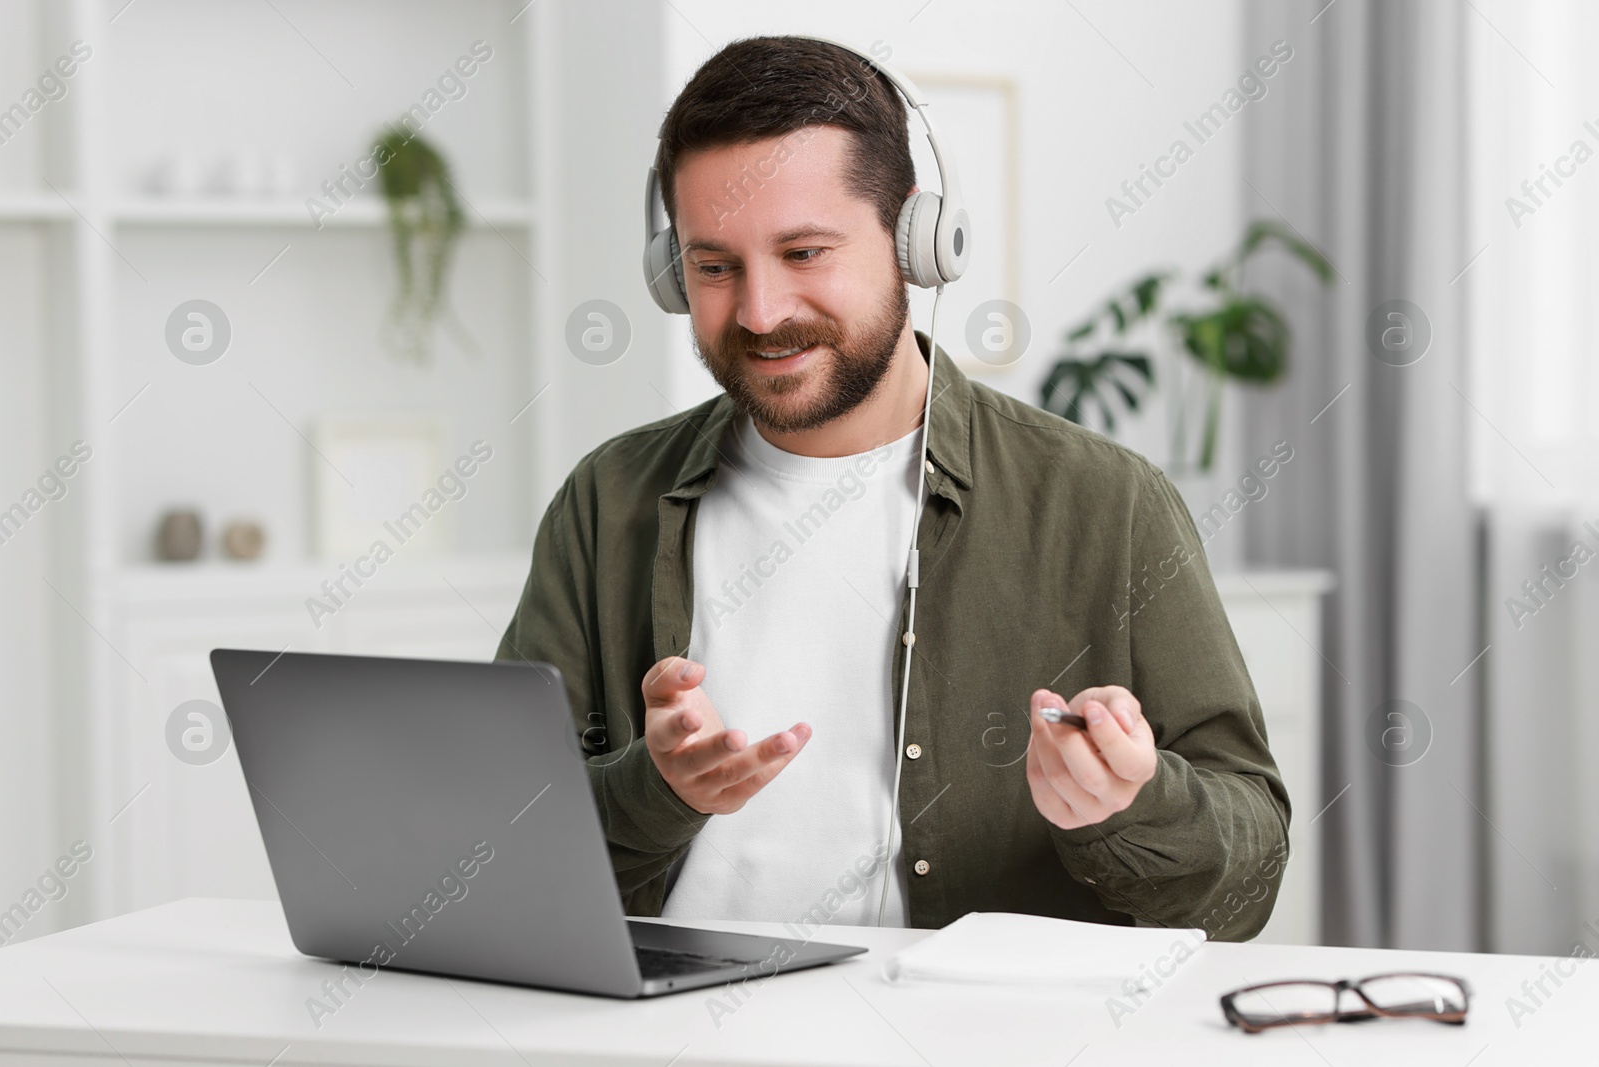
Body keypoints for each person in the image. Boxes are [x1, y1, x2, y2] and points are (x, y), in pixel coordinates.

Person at [496, 35, 1289, 941]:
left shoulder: (1104, 505)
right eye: (714, 266)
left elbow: (1250, 878)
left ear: (917, 241)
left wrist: (1133, 801)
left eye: (804, 252)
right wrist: (654, 790)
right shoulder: (607, 503)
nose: (760, 312)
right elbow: (491, 840)